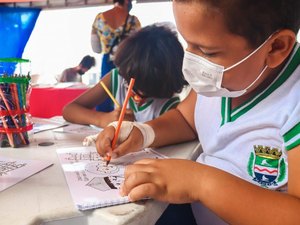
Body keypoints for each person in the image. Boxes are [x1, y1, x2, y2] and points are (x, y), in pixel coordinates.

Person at [95, 0, 300, 224]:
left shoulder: (293, 101)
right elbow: (185, 119)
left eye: (207, 51)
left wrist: (200, 183)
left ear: (276, 47)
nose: (190, 61)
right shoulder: (226, 77)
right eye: (187, 44)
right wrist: (143, 133)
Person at [63, 24, 187, 129]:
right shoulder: (118, 77)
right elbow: (69, 110)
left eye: (142, 93)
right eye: (129, 81)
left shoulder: (169, 105)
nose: (129, 89)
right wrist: (102, 119)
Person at [91, 0, 141, 112]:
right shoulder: (133, 21)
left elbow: (96, 49)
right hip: (128, 64)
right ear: (127, 1)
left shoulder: (100, 18)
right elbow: (141, 48)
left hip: (107, 63)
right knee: (128, 100)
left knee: (104, 96)